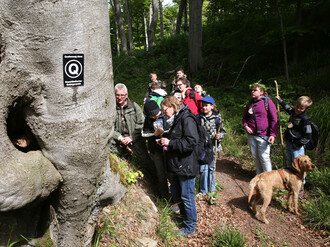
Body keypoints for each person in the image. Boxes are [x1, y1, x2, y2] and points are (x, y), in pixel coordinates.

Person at [157, 96, 199, 237]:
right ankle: (183, 217)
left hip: (186, 165)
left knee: (187, 196)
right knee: (175, 191)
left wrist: (170, 143)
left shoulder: (187, 118)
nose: (163, 113)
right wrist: (165, 140)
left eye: (165, 110)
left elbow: (191, 142)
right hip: (178, 164)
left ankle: (189, 227)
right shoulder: (178, 118)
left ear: (173, 107)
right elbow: (177, 136)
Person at [110, 83, 155, 177]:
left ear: (126, 95)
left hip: (135, 138)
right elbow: (109, 127)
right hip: (119, 140)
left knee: (145, 161)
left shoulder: (134, 107)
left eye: (122, 95)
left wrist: (131, 137)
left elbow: (141, 124)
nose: (120, 97)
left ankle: (155, 180)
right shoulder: (111, 108)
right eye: (117, 95)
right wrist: (119, 137)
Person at [275, 95, 313, 198]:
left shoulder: (305, 120)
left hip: (297, 147)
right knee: (290, 165)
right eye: (297, 106)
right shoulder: (293, 112)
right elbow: (287, 108)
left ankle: (300, 189)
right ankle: (289, 184)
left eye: (301, 108)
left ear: (305, 109)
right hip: (289, 143)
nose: (298, 109)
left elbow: (308, 136)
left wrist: (298, 144)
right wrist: (280, 100)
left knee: (299, 168)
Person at [242, 82, 277, 174]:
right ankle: (259, 175)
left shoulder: (267, 102)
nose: (252, 92)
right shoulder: (250, 103)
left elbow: (274, 119)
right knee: (255, 156)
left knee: (264, 157)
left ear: (261, 92)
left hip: (264, 136)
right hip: (252, 135)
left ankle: (268, 178)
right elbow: (245, 118)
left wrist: (273, 135)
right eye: (252, 90)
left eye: (255, 90)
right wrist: (246, 126)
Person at [197, 96, 226, 195]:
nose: (204, 107)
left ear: (212, 106)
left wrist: (219, 136)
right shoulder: (199, 118)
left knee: (211, 168)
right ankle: (203, 190)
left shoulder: (217, 118)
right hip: (202, 148)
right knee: (202, 169)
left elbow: (223, 131)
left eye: (206, 105)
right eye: (203, 105)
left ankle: (212, 190)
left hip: (213, 147)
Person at [141, 100, 170, 198]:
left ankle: (175, 196)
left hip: (169, 149)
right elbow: (144, 134)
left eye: (155, 114)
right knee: (160, 174)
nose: (154, 117)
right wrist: (154, 135)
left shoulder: (166, 115)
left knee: (171, 173)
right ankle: (164, 196)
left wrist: (164, 134)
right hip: (156, 150)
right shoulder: (148, 120)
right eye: (151, 116)